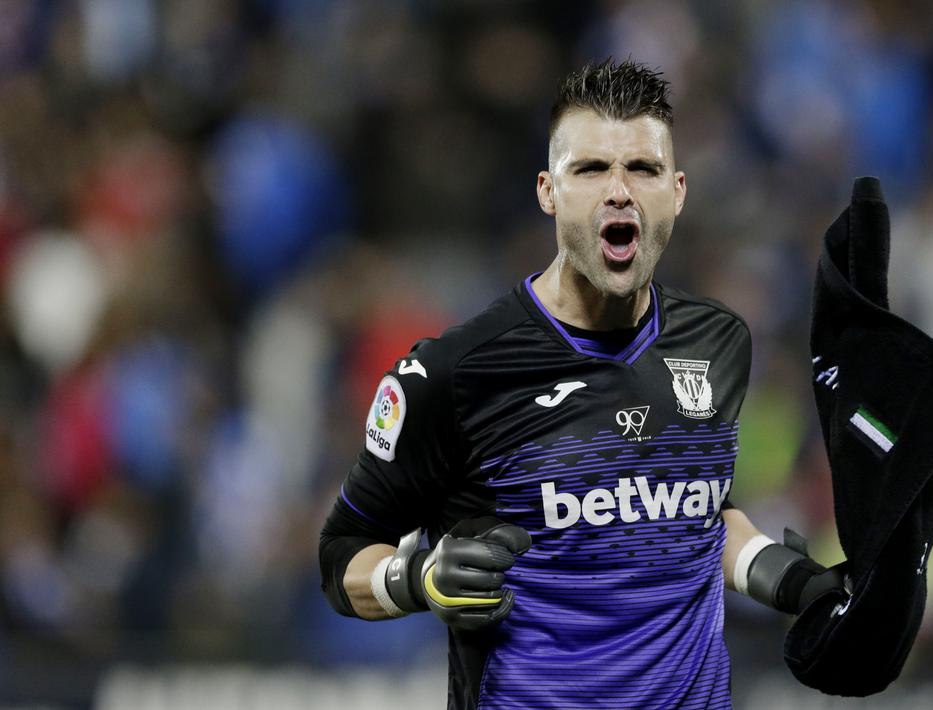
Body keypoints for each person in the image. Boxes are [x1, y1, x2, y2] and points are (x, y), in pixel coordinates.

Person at [319, 59, 841, 710]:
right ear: (548, 191)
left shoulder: (718, 344)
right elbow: (340, 557)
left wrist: (790, 581)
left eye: (642, 169)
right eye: (590, 169)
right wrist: (416, 578)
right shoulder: (453, 375)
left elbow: (695, 513)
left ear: (676, 191)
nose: (618, 191)